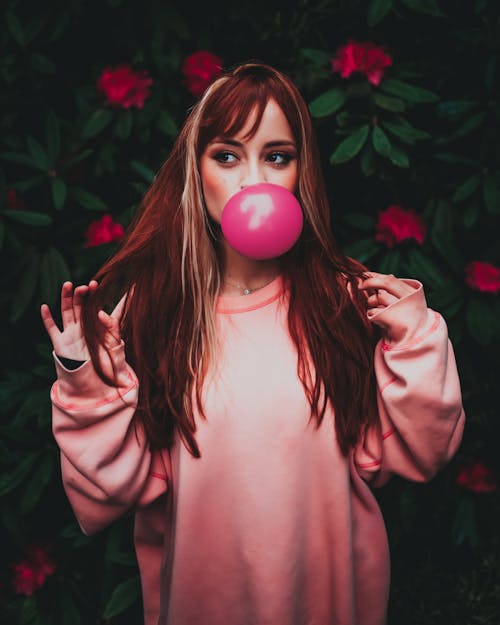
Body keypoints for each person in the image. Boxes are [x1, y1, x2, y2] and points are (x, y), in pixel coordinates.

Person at [41, 62, 465, 625]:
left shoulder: (342, 304)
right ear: (196, 172)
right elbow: (108, 495)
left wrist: (417, 336)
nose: (253, 180)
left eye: (277, 156)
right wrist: (84, 375)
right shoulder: (156, 312)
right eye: (226, 155)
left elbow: (420, 452)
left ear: (301, 173)